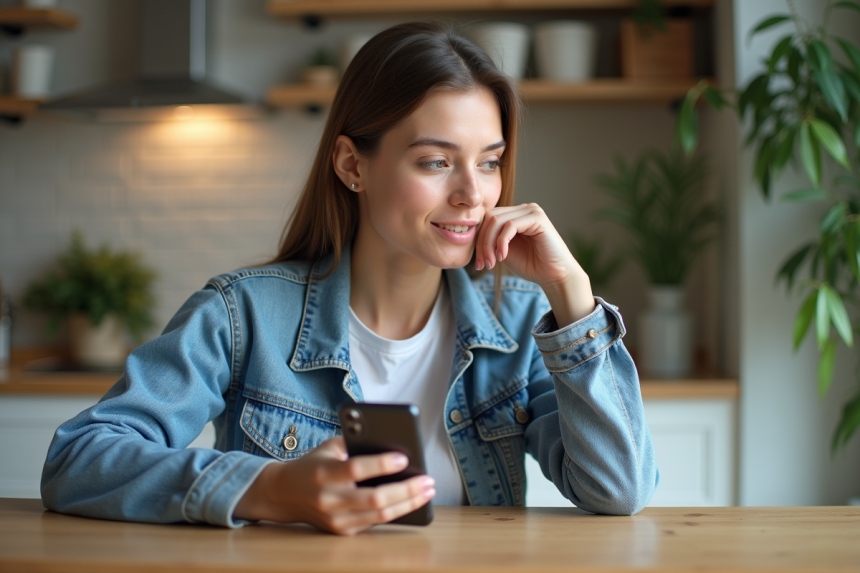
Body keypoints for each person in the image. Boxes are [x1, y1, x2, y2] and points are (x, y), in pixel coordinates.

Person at [41, 22, 658, 536]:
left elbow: (618, 491)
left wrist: (572, 297)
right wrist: (269, 489)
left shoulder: (522, 322)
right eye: (436, 162)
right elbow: (78, 460)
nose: (474, 194)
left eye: (490, 162)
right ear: (352, 165)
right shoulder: (242, 314)